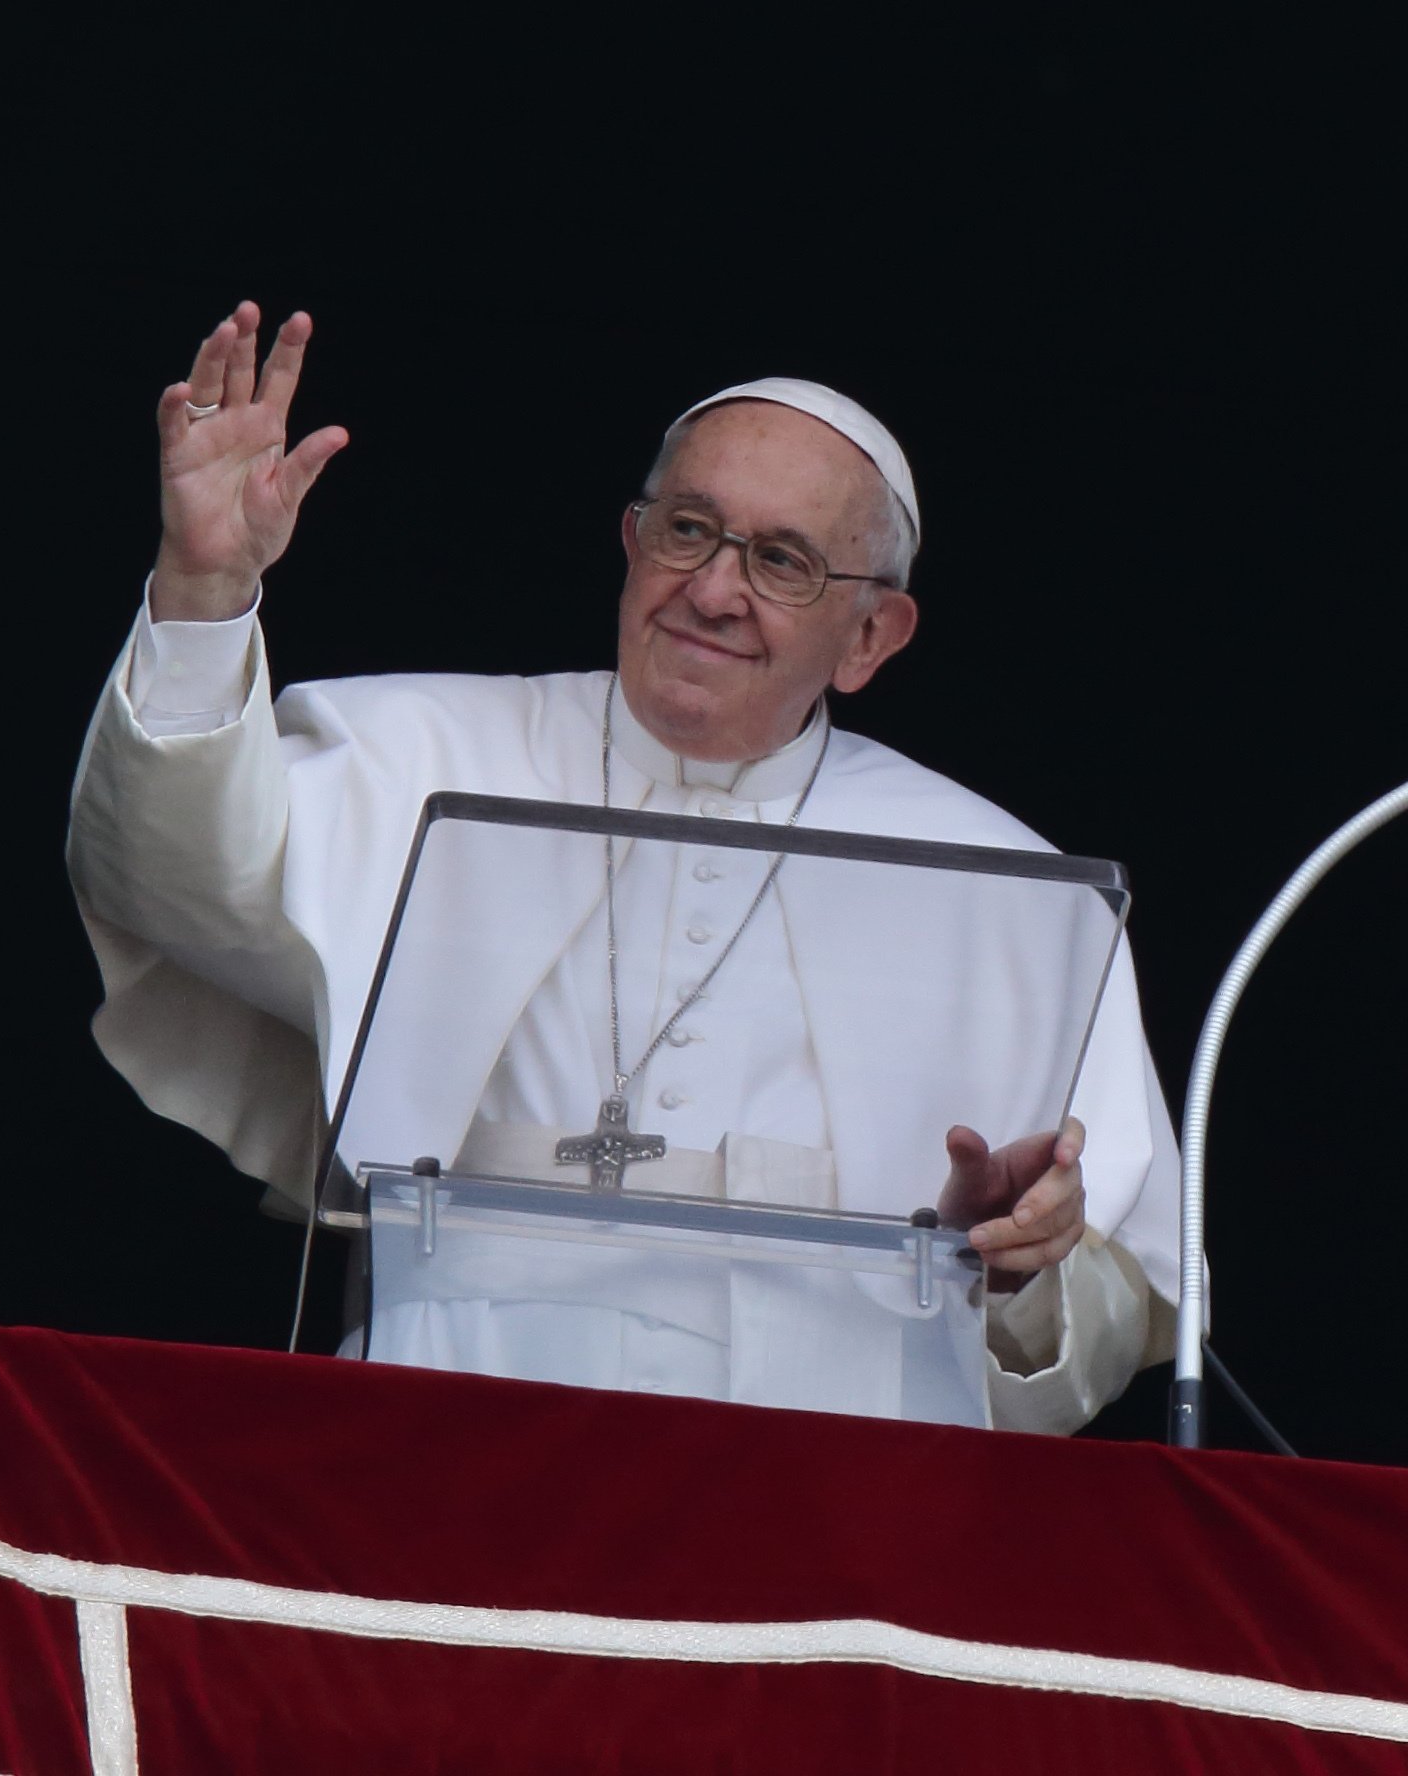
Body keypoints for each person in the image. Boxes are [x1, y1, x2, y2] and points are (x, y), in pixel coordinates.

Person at [64, 303, 1179, 1432]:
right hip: (448, 1425)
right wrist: (202, 589)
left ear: (870, 638)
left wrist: (1018, 1263)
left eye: (783, 561)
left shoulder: (1005, 890)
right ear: (632, 540)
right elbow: (168, 875)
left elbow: (1109, 1310)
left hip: (825, 1486)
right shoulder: (423, 748)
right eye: (689, 528)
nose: (712, 590)